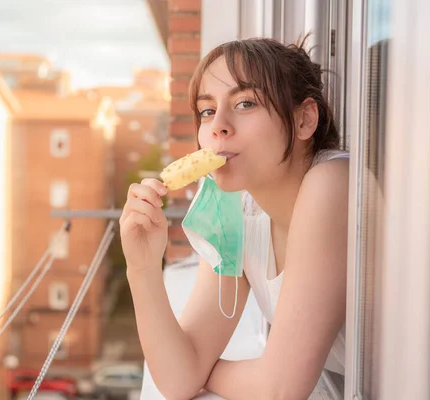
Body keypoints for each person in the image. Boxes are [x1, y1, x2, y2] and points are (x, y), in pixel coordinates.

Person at [119, 36, 349, 400]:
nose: (218, 127)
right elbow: (178, 381)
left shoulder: (332, 184)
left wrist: (204, 371)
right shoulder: (236, 209)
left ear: (304, 119)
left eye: (245, 103)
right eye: (207, 110)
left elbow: (279, 388)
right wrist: (142, 268)